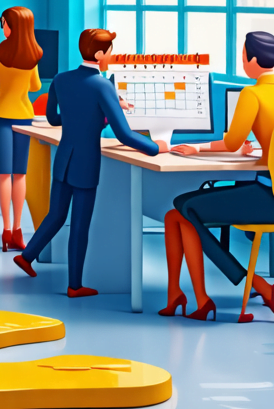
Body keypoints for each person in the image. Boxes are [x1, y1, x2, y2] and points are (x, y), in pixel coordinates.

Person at [160, 31, 274, 323]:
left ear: (252, 59)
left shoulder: (253, 94)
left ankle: (254, 286)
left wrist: (197, 148)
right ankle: (180, 294)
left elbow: (231, 142)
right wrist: (257, 152)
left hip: (270, 198)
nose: (242, 61)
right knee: (173, 216)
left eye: (242, 56)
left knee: (185, 206)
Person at [13, 28, 168, 297]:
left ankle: (27, 256)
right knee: (80, 224)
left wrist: (90, 115)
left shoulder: (61, 79)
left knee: (57, 215)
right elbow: (123, 134)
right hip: (85, 162)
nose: (112, 55)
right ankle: (74, 285)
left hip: (64, 158)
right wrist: (156, 148)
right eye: (110, 51)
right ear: (99, 54)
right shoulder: (102, 85)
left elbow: (53, 119)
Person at [0, 6, 43, 252]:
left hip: (1, 116)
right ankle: (17, 229)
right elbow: (35, 86)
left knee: (3, 174)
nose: (2, 27)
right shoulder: (33, 55)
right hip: (24, 117)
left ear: (12, 25)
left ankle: (5, 229)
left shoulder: (0, 52)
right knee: (20, 174)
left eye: (3, 22)